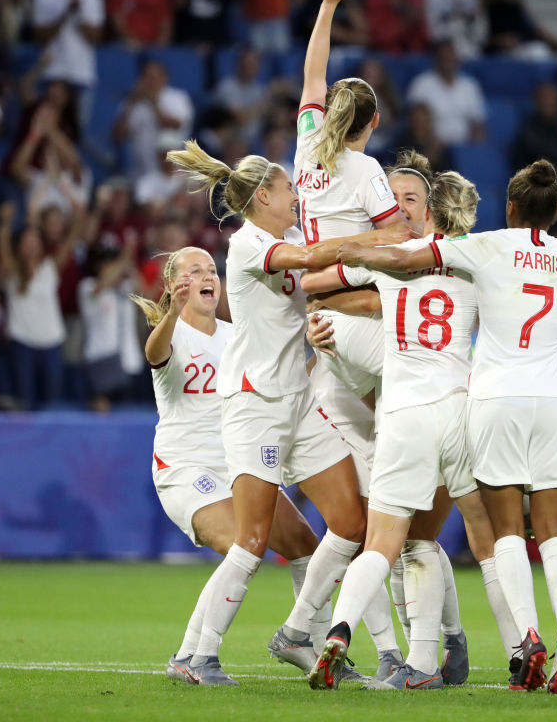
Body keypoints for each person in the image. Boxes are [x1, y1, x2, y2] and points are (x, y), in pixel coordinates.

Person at [163, 139, 407, 685]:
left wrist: (350, 291)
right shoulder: (248, 244)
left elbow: (320, 276)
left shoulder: (290, 234)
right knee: (251, 542)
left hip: (297, 400)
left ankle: (299, 634)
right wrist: (381, 235)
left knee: (351, 522)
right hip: (256, 406)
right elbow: (312, 260)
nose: (297, 195)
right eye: (289, 188)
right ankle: (196, 655)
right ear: (263, 196)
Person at [339, 159, 557, 694]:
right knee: (548, 534)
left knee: (498, 536)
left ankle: (526, 638)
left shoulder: (485, 248)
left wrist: (340, 248)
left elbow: (413, 256)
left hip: (491, 399)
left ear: (511, 207)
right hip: (552, 398)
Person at [303, 170, 492, 690]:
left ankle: (338, 631)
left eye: (411, 199)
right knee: (468, 539)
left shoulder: (393, 262)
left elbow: (319, 287)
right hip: (448, 407)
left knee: (393, 542)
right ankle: (503, 646)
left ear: (430, 208)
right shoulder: (474, 263)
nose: (401, 209)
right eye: (394, 199)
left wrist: (332, 294)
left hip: (400, 415)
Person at [131, 245, 327, 685]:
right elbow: (153, 353)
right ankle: (195, 655)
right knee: (246, 544)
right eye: (194, 270)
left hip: (238, 464)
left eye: (212, 269)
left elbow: (284, 378)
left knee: (306, 546)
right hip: (186, 470)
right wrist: (172, 313)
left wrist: (317, 351)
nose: (207, 275)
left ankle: (314, 649)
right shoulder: (171, 332)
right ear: (174, 284)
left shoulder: (237, 335)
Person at [292, 0, 414, 671]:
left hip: (316, 305)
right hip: (347, 294)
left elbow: (312, 72)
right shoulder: (367, 170)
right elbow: (396, 244)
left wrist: (329, 7)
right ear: (371, 125)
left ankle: (332, 627)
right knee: (419, 297)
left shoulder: (308, 150)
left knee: (370, 480)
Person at [0, 194, 83, 410]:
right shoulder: (12, 273)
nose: (31, 246)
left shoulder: (49, 268)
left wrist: (77, 214)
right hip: (22, 343)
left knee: (51, 404)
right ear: (19, 246)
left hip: (52, 342)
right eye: (27, 242)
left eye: (35, 242)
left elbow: (71, 238)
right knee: (25, 403)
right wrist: (5, 223)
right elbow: (2, 248)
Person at [31, 0, 104, 129]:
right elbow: (40, 37)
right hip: (53, 72)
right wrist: (64, 14)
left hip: (81, 74)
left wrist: (78, 14)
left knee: (77, 131)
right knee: (47, 128)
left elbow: (95, 37)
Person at [77, 244, 143, 412]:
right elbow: (102, 285)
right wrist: (123, 261)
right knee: (102, 418)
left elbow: (147, 297)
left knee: (130, 418)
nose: (117, 268)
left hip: (130, 362)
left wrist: (132, 270)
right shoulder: (88, 286)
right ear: (99, 266)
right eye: (111, 264)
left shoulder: (126, 287)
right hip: (101, 361)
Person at [406, 41, 487, 146]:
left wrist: (476, 146)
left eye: (451, 56)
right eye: (444, 56)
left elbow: (478, 122)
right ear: (436, 59)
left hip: (464, 144)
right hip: (432, 144)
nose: (448, 60)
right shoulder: (421, 84)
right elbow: (414, 121)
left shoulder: (470, 86)